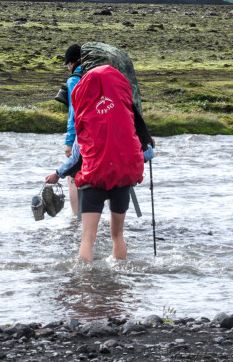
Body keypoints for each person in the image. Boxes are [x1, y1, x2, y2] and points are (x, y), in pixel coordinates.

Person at [45, 62, 153, 262]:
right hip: (122, 180)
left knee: (88, 238)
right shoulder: (125, 116)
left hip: (93, 180)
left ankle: (86, 283)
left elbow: (76, 157)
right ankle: (119, 281)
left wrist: (57, 173)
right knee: (118, 235)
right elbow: (147, 155)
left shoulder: (87, 117)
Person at [61, 44, 82, 215]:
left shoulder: (74, 78)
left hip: (85, 135)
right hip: (108, 132)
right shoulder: (100, 74)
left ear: (71, 63)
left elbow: (74, 111)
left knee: (71, 172)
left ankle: (77, 217)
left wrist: (69, 141)